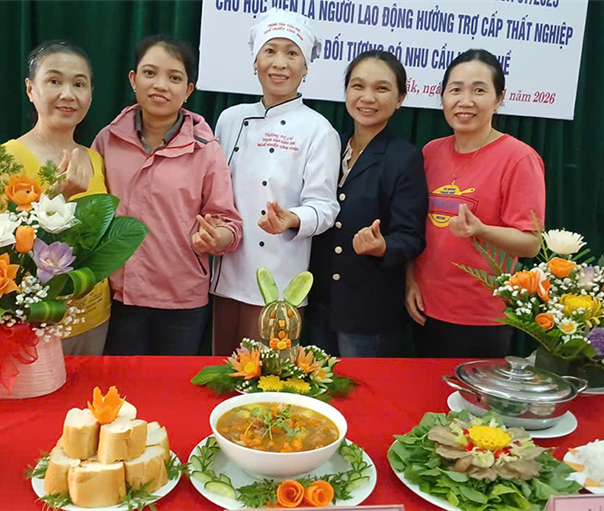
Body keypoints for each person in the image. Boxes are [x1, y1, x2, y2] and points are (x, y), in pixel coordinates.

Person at [93, 36, 242, 356]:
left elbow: (229, 224)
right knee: (122, 384)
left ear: (188, 90)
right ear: (133, 79)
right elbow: (91, 214)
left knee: (172, 385)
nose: (160, 85)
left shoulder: (206, 149)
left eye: (174, 78)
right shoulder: (107, 140)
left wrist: (217, 238)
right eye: (150, 73)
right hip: (119, 296)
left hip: (182, 301)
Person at [211, 8, 340, 355]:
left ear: (306, 67)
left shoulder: (318, 130)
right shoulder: (229, 119)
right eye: (270, 51)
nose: (279, 63)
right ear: (255, 61)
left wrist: (292, 218)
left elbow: (325, 207)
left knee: (266, 376)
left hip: (280, 285)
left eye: (292, 53)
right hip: (226, 275)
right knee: (222, 368)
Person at [406, 49, 545, 358]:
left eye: (479, 90)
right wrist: (409, 280)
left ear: (499, 99)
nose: (465, 101)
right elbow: (414, 226)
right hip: (425, 308)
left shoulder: (519, 158)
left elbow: (531, 244)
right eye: (456, 90)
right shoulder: (430, 152)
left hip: (482, 318)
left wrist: (481, 230)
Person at [0, 40, 110, 356]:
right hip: (35, 319)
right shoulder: (4, 158)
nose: (68, 94)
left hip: (95, 316)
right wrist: (56, 197)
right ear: (30, 89)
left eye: (79, 84)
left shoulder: (94, 158)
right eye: (54, 81)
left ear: (91, 94)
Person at [306, 50, 427, 358]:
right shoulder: (328, 145)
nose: (367, 97)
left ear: (400, 99)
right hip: (318, 302)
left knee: (362, 388)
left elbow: (411, 236)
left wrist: (382, 246)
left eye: (381, 88)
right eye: (358, 86)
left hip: (368, 311)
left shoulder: (405, 157)